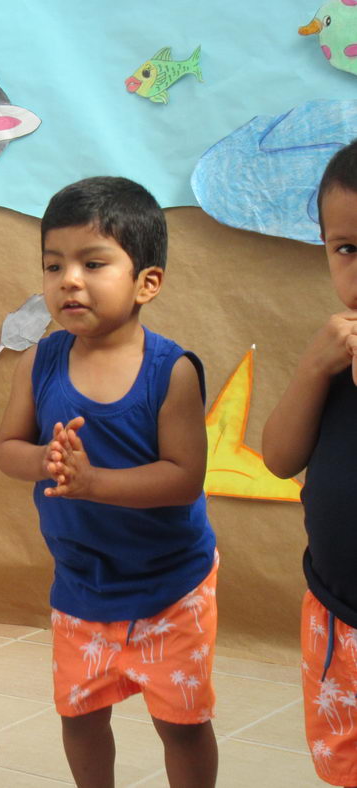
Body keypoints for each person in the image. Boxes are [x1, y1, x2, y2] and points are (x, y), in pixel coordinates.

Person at [0, 177, 218, 788]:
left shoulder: (169, 372)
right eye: (54, 264)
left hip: (170, 587)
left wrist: (92, 482)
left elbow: (183, 479)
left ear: (147, 281)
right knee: (80, 714)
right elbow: (7, 450)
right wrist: (46, 462)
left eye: (93, 263)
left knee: (182, 725)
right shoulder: (38, 362)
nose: (69, 279)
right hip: (82, 584)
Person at [262, 139, 357, 788]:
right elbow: (277, 457)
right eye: (347, 249)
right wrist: (312, 367)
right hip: (336, 612)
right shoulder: (334, 350)